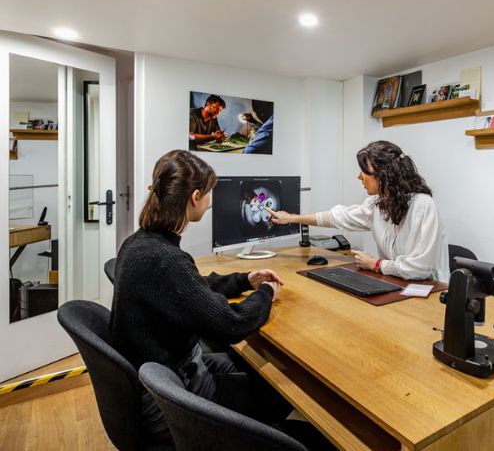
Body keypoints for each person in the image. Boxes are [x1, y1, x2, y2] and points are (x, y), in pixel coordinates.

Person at [109, 150, 291, 443]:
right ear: (195, 197)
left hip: (160, 377)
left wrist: (244, 280)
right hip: (172, 398)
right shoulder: (165, 259)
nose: (210, 201)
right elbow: (232, 324)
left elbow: (189, 288)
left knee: (256, 372)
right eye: (209, 193)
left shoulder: (139, 243)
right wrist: (267, 293)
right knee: (281, 394)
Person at [269, 141, 449, 281]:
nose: (358, 176)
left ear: (385, 174)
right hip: (399, 284)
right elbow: (337, 217)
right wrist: (291, 218)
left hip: (431, 293)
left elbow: (419, 269)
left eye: (364, 170)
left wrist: (376, 264)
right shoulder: (377, 205)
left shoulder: (422, 206)